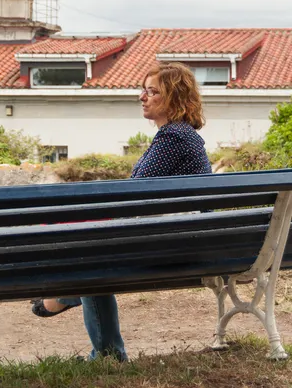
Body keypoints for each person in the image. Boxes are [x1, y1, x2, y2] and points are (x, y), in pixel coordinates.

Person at [32, 62, 212, 360]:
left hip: (175, 246)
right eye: (143, 90)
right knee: (93, 252)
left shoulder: (173, 137)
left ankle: (103, 350)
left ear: (175, 98)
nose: (143, 96)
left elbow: (132, 194)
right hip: (188, 239)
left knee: (92, 263)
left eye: (152, 91)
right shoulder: (183, 136)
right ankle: (66, 301)